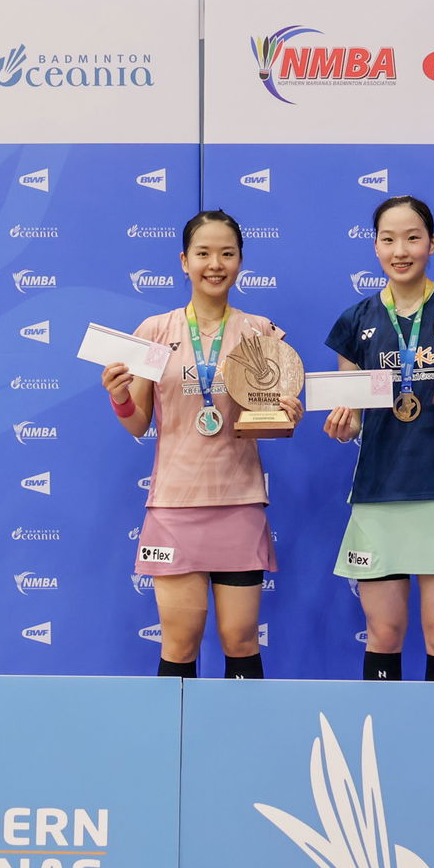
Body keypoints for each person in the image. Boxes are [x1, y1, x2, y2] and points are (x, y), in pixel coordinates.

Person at [101, 210, 303, 678]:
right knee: (180, 642)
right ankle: (174, 751)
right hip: (174, 506)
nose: (215, 264)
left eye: (227, 254)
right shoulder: (155, 331)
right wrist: (119, 398)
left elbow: (265, 420)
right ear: (183, 261)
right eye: (204, 253)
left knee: (240, 640)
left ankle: (245, 746)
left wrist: (284, 415)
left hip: (238, 501)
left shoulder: (259, 332)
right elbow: (138, 423)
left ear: (240, 261)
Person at [321, 196, 434, 682]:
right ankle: (385, 748)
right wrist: (343, 424)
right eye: (388, 239)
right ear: (375, 246)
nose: (401, 250)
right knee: (385, 634)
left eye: (413, 238)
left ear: (432, 244)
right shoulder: (355, 321)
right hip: (379, 493)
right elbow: (353, 415)